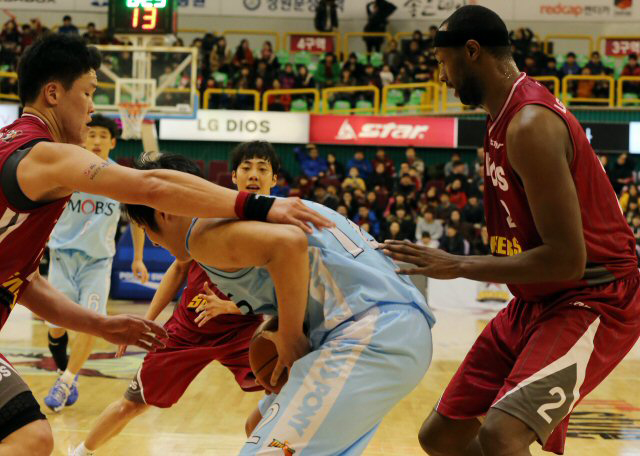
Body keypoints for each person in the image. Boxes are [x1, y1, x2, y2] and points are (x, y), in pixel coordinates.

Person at [0, 34, 329, 455]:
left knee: (31, 437)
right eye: (88, 93)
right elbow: (150, 185)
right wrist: (259, 206)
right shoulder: (46, 155)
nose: (92, 107)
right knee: (30, 439)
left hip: (226, 325)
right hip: (190, 320)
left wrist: (101, 325)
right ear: (52, 94)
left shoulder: (15, 144)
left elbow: (21, 282)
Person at [384, 5, 640, 455]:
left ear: (472, 51)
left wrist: (458, 264)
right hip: (538, 295)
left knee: (504, 434)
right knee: (441, 436)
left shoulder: (530, 123)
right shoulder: (501, 113)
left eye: (443, 63)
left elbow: (568, 258)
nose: (441, 78)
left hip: (594, 295)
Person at [122, 152, 435, 456]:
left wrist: (289, 336)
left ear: (164, 212)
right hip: (391, 327)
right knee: (256, 425)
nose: (153, 241)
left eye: (148, 230)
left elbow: (289, 245)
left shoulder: (203, 233)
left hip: (370, 333)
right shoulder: (253, 211)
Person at [71, 142, 283, 456]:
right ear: (234, 175)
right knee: (133, 403)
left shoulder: (278, 226)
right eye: (247, 167)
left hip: (244, 333)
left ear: (274, 179)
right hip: (187, 329)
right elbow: (178, 269)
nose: (254, 175)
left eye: (262, 169)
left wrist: (232, 306)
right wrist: (147, 319)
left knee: (283, 393)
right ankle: (81, 452)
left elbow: (282, 287)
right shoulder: (211, 212)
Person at [43, 115, 148, 413]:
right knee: (57, 326)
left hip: (98, 262)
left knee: (93, 321)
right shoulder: (67, 170)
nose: (97, 140)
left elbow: (138, 220)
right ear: (83, 138)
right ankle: (67, 372)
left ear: (113, 142)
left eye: (104, 135)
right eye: (92, 134)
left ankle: (66, 380)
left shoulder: (120, 177)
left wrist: (138, 258)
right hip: (62, 257)